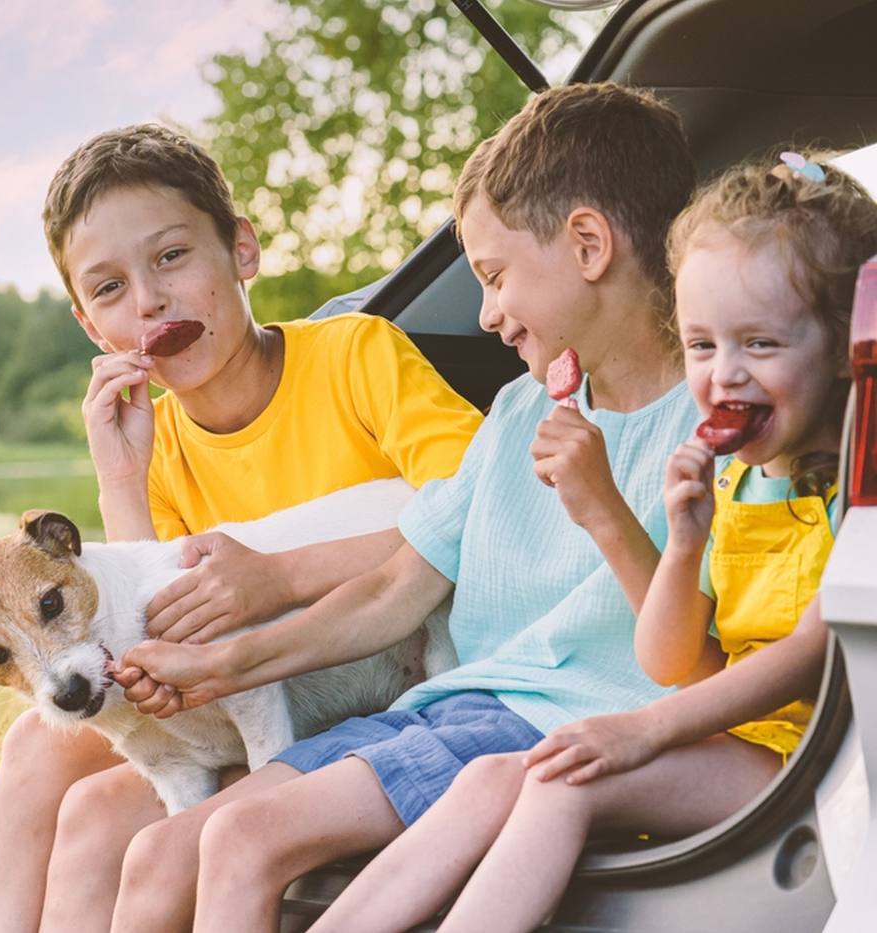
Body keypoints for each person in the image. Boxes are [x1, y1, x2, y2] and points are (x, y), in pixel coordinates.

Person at [110, 82, 699, 932]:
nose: (489, 314)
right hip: (451, 707)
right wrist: (226, 667)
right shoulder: (517, 417)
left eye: (495, 278)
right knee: (164, 851)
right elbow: (392, 592)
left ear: (589, 245)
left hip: (550, 724)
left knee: (243, 836)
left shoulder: (706, 427)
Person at [305, 152, 877, 933]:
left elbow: (813, 653)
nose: (724, 376)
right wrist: (682, 543)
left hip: (815, 758)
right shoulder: (739, 482)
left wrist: (640, 728)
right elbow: (674, 660)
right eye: (704, 346)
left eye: (762, 344)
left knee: (565, 778)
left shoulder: (853, 484)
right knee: (503, 774)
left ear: (850, 340)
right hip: (732, 744)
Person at [0, 123, 484, 933]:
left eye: (171, 257)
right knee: (38, 750)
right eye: (108, 289)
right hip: (238, 701)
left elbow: (489, 511)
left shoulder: (356, 355)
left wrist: (280, 577)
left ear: (242, 251)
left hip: (371, 676)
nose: (148, 301)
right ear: (90, 326)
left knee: (103, 816)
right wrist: (122, 477)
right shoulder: (154, 446)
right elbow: (142, 652)